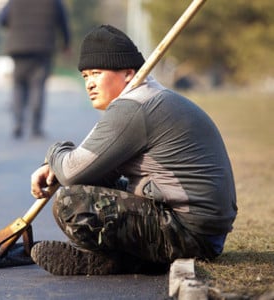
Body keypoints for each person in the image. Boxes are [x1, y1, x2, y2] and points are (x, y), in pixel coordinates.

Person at [29, 25, 237, 275]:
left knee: (72, 202)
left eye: (96, 73)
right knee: (89, 190)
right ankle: (123, 260)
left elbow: (72, 173)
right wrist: (58, 165)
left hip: (189, 232)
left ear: (128, 74)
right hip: (203, 232)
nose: (89, 84)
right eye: (85, 76)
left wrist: (54, 152)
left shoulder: (135, 106)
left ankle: (115, 260)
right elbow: (97, 175)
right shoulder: (150, 98)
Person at [0, 0, 70, 139]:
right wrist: (66, 44)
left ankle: (18, 123)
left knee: (18, 86)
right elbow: (63, 22)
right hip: (42, 48)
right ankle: (35, 127)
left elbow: (2, 19)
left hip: (18, 47)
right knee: (38, 86)